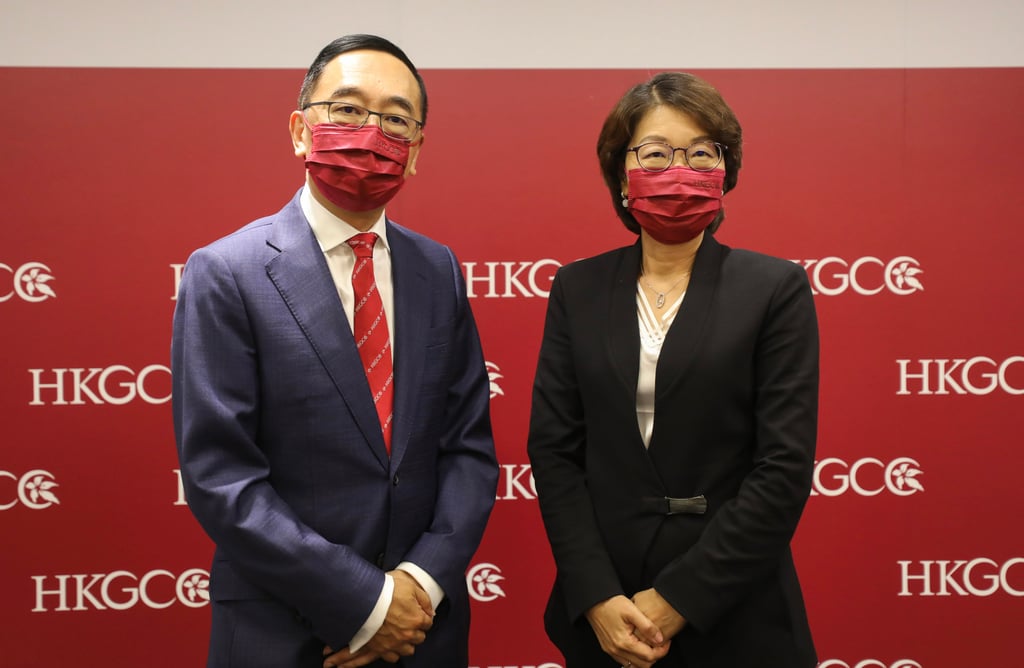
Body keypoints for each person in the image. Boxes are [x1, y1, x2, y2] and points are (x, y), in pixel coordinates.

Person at [171, 34, 498, 668]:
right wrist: (367, 604)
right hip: (284, 631)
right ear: (299, 130)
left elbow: (469, 450)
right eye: (347, 110)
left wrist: (417, 587)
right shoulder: (226, 272)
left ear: (416, 151)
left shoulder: (438, 269)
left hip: (424, 632)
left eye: (396, 120)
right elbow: (222, 478)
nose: (371, 133)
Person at [527, 72, 819, 668]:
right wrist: (599, 596)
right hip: (608, 615)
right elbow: (555, 454)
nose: (678, 169)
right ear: (621, 174)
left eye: (700, 153)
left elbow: (783, 467)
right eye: (656, 153)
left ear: (725, 171)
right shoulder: (577, 288)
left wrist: (679, 598)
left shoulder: (774, 288)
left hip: (736, 611)